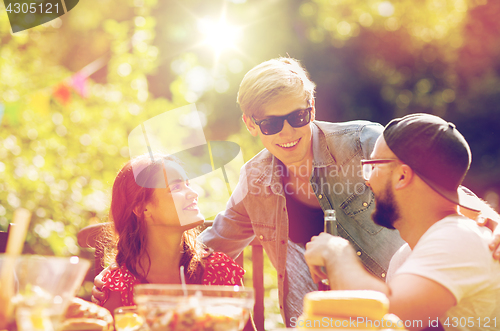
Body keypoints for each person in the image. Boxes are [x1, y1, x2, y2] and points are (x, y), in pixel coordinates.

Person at [197, 57, 406, 325]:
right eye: (271, 124)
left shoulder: (364, 144)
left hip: (396, 318)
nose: (287, 132)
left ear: (312, 109)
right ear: (250, 124)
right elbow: (212, 245)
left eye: (297, 117)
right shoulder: (255, 180)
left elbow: (437, 196)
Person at [304, 113, 500, 331]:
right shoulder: (405, 258)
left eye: (373, 166)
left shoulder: (457, 238)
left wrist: (336, 253)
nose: (367, 179)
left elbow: (389, 315)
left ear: (402, 176)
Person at [98, 153, 244, 313]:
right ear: (142, 208)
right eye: (176, 187)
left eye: (187, 184)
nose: (194, 194)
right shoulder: (120, 285)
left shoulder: (218, 270)